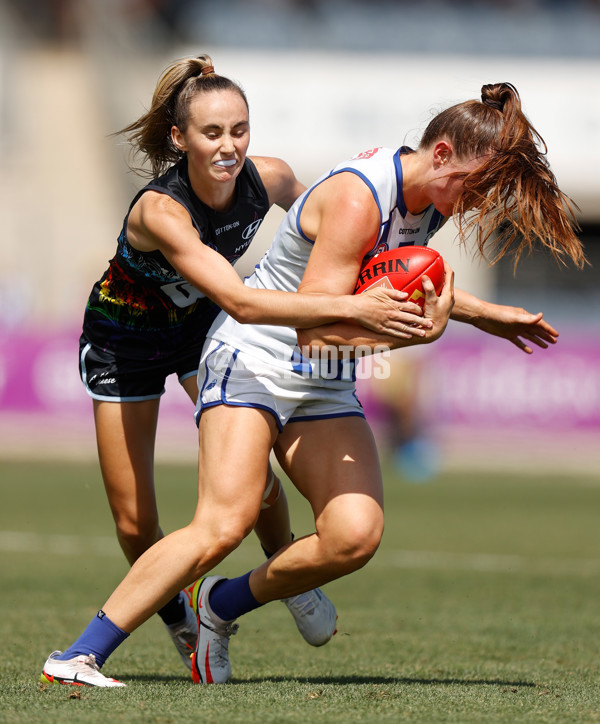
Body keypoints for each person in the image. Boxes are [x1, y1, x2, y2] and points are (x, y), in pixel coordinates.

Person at [41, 81, 584, 688]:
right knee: (222, 521)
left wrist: (482, 313)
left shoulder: (426, 198)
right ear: (441, 155)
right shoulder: (358, 199)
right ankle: (78, 656)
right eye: (476, 185)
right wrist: (414, 337)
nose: (476, 202)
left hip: (320, 376)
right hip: (256, 356)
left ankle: (218, 606)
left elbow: (377, 284)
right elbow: (316, 333)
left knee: (355, 536)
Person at [67, 53, 420, 679]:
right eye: (211, 133)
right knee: (133, 519)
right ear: (180, 139)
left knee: (250, 477)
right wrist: (352, 305)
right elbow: (240, 298)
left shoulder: (273, 178)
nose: (229, 147)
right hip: (127, 343)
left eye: (239, 130)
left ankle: (287, 574)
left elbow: (337, 229)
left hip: (203, 333)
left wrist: (445, 301)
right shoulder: (160, 211)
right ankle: (180, 622)